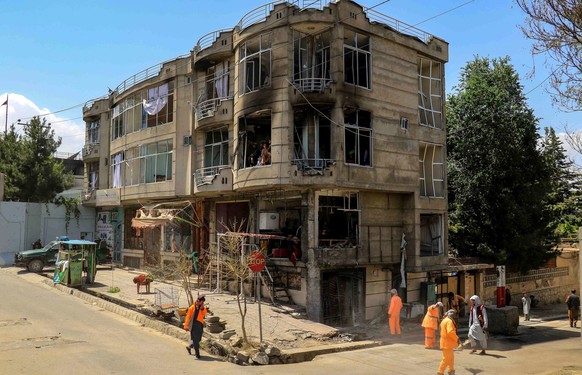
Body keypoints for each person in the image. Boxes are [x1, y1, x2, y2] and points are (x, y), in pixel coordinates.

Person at [437, 309, 462, 375]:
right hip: (447, 343)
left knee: (450, 358)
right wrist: (457, 339)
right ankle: (440, 372)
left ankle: (451, 370)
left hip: (446, 343)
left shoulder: (445, 320)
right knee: (446, 359)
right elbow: (450, 332)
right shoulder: (449, 321)